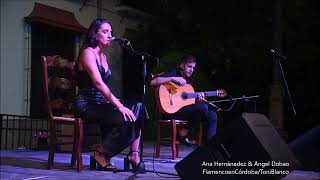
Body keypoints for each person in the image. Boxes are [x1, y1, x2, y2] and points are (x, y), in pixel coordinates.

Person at [72, 19, 145, 173]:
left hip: (101, 103)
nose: (110, 35)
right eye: (105, 32)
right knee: (125, 116)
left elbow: (104, 88)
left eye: (111, 32)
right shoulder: (88, 53)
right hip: (86, 103)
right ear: (94, 34)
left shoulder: (104, 57)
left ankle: (133, 154)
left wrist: (118, 102)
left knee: (138, 108)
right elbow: (98, 84)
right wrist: (119, 106)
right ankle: (102, 153)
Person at [150, 55, 227, 146]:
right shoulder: (174, 72)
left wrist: (198, 100)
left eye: (193, 67)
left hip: (183, 111)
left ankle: (211, 146)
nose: (191, 70)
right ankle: (182, 133)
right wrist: (172, 78)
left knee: (212, 114)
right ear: (182, 65)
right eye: (189, 66)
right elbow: (152, 82)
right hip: (170, 111)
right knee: (203, 108)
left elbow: (189, 103)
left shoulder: (189, 81)